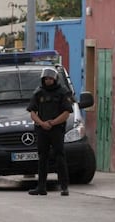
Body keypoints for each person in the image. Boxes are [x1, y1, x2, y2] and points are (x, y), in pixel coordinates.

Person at [26, 67, 73, 196]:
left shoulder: (63, 92)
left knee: (59, 157)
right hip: (42, 130)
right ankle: (41, 187)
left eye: (50, 78)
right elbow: (32, 112)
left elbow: (66, 112)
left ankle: (64, 187)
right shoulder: (39, 93)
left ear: (55, 79)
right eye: (46, 79)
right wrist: (42, 123)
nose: (48, 81)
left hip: (56, 129)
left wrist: (53, 123)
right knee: (42, 158)